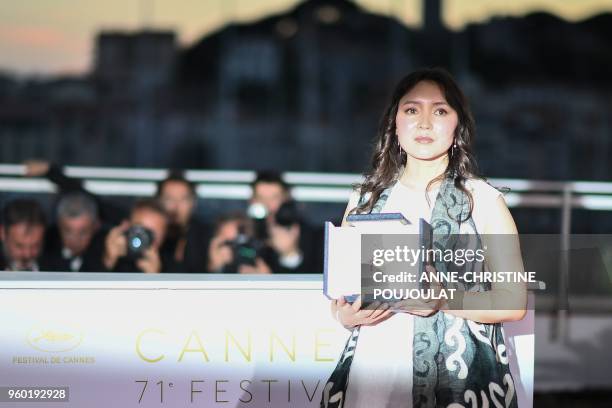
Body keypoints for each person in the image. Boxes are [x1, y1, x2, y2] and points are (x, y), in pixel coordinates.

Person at [323, 68, 527, 408]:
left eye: (441, 111)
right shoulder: (364, 198)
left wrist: (443, 299)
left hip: (455, 381)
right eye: (412, 109)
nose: (425, 122)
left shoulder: (484, 200)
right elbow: (344, 288)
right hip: (372, 368)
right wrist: (343, 315)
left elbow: (513, 300)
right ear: (394, 123)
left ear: (458, 126)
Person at [249, 171, 323, 273]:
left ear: (287, 199)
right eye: (261, 198)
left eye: (274, 198)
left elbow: (313, 277)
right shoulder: (247, 232)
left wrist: (290, 253)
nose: (268, 205)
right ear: (252, 201)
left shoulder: (310, 236)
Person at [156, 171, 210, 273]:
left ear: (193, 203)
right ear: (158, 202)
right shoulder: (151, 235)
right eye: (169, 199)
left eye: (183, 199)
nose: (175, 207)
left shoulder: (206, 237)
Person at [41, 192, 106, 272]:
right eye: (68, 231)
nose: (75, 240)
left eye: (83, 232)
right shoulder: (43, 247)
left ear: (96, 226)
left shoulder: (105, 250)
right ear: (59, 225)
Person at [102, 199, 169, 273]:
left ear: (164, 237)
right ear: (126, 226)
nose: (144, 238)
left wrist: (156, 278)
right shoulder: (97, 251)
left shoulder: (171, 268)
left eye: (151, 234)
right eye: (141, 230)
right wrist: (108, 260)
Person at [206, 212, 271, 274]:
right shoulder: (216, 250)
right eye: (228, 242)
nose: (234, 247)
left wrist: (262, 276)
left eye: (237, 241)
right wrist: (215, 265)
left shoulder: (257, 249)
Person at [0, 198, 46, 271]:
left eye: (35, 246)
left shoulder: (57, 266)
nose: (27, 254)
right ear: (2, 233)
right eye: (19, 246)